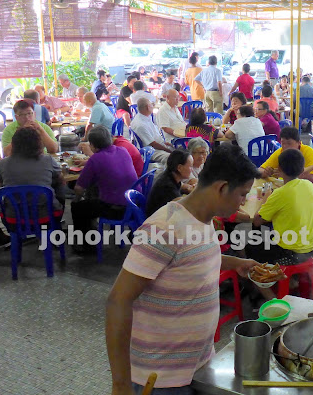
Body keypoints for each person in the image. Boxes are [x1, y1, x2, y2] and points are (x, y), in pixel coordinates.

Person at [106, 144, 261, 394]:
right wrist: (120, 383)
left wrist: (236, 263)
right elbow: (118, 301)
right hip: (160, 378)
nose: (244, 201)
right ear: (222, 188)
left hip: (197, 366)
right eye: (243, 194)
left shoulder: (205, 218)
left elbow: (191, 258)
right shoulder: (163, 228)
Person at [71, 126, 137, 246]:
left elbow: (78, 188)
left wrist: (78, 196)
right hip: (134, 204)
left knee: (78, 207)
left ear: (93, 145)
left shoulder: (95, 159)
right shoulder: (122, 150)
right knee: (92, 197)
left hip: (116, 209)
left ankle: (85, 245)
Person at [251, 149, 313, 266]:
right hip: (311, 247)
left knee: (251, 246)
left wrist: (265, 198)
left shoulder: (279, 193)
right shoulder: (308, 185)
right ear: (302, 170)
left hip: (289, 253)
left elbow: (257, 221)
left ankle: (263, 278)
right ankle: (292, 278)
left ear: (279, 169)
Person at [0, 127, 64, 213]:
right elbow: (60, 178)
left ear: (13, 144)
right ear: (39, 143)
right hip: (45, 218)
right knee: (59, 185)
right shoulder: (48, 160)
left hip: (13, 220)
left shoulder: (4, 163)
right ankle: (58, 215)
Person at [146, 150, 194, 216]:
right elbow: (183, 207)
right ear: (179, 168)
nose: (192, 170)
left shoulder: (171, 176)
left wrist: (192, 188)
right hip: (157, 221)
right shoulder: (167, 186)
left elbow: (185, 187)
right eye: (190, 166)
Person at [129, 97, 173, 163]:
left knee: (179, 149)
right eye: (152, 104)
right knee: (173, 157)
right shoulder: (140, 124)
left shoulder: (144, 117)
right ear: (148, 107)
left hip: (158, 145)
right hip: (151, 150)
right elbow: (153, 144)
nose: (153, 106)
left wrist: (165, 144)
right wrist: (167, 150)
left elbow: (155, 135)